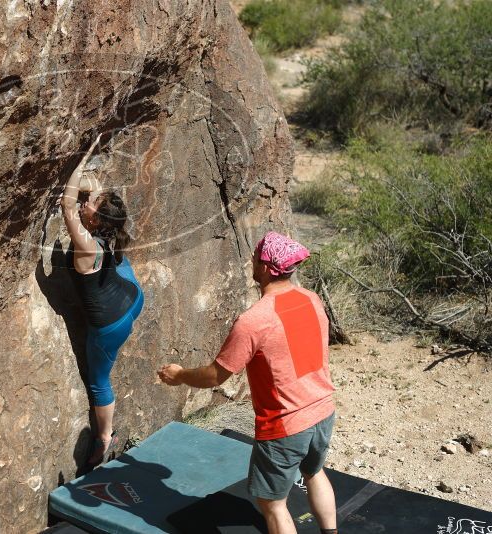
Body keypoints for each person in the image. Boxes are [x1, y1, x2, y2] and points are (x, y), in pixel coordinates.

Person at [157, 231, 338, 534]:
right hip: (322, 410)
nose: (250, 261)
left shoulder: (255, 320)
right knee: (314, 471)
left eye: (255, 257)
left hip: (286, 424)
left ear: (266, 268)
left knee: (272, 504)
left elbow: (216, 375)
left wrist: (179, 376)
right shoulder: (311, 299)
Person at [61, 133, 144, 467]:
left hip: (111, 325)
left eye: (90, 205)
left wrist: (79, 158)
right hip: (132, 296)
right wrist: (89, 184)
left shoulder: (86, 245)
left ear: (94, 220)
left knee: (98, 383)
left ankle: (104, 437)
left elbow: (67, 205)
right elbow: (90, 194)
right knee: (124, 268)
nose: (85, 203)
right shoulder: (107, 232)